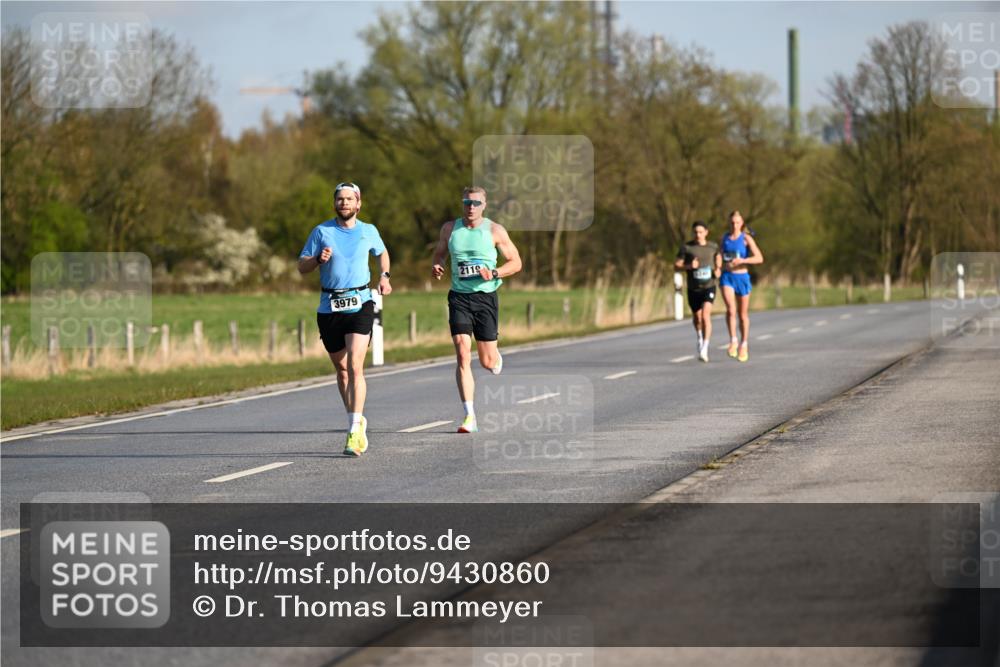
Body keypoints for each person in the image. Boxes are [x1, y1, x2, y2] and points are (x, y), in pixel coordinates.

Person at [298, 182, 392, 456]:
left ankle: (353, 430)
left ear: (358, 203)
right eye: (340, 199)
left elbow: (382, 253)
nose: (344, 203)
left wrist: (384, 277)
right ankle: (356, 417)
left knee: (354, 365)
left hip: (360, 302)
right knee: (341, 370)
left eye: (349, 199)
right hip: (329, 306)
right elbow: (301, 266)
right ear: (335, 203)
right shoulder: (322, 231)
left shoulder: (369, 231)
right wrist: (316, 259)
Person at [431, 186, 522, 433]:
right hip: (459, 297)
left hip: (485, 298)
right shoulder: (450, 229)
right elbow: (439, 254)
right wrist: (438, 266)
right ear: (462, 204)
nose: (471, 207)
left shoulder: (495, 230)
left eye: (476, 203)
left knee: (487, 361)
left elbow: (516, 262)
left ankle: (494, 355)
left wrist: (494, 272)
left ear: (484, 205)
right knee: (462, 353)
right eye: (467, 202)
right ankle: (469, 415)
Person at [719, 210, 764, 362]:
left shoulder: (746, 238)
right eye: (732, 222)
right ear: (729, 222)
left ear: (742, 223)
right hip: (727, 277)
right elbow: (719, 255)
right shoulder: (724, 238)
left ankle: (744, 344)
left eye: (737, 222)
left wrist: (743, 261)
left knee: (742, 315)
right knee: (731, 309)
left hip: (742, 277)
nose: (734, 225)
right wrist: (718, 267)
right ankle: (733, 340)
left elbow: (759, 258)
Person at [674, 221, 721, 362]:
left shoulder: (712, 246)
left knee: (706, 316)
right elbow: (676, 265)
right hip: (693, 288)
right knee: (698, 318)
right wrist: (689, 266)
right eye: (695, 232)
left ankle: (705, 348)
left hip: (709, 286)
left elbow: (718, 256)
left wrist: (718, 269)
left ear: (706, 232)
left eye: (701, 232)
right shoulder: (687, 248)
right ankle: (700, 337)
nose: (698, 235)